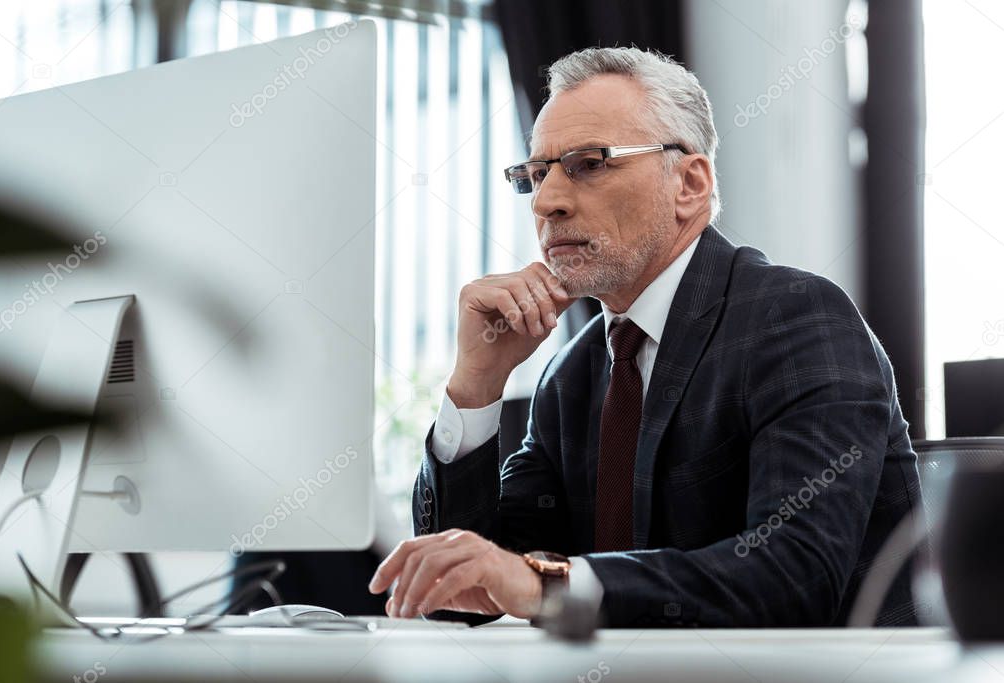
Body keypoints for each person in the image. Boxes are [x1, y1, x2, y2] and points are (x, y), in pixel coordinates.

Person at [369, 47, 922, 628]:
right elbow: (460, 596)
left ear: (689, 182)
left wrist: (546, 584)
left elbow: (794, 578)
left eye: (589, 163)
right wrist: (475, 386)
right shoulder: (574, 375)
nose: (545, 201)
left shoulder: (798, 319)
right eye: (535, 175)